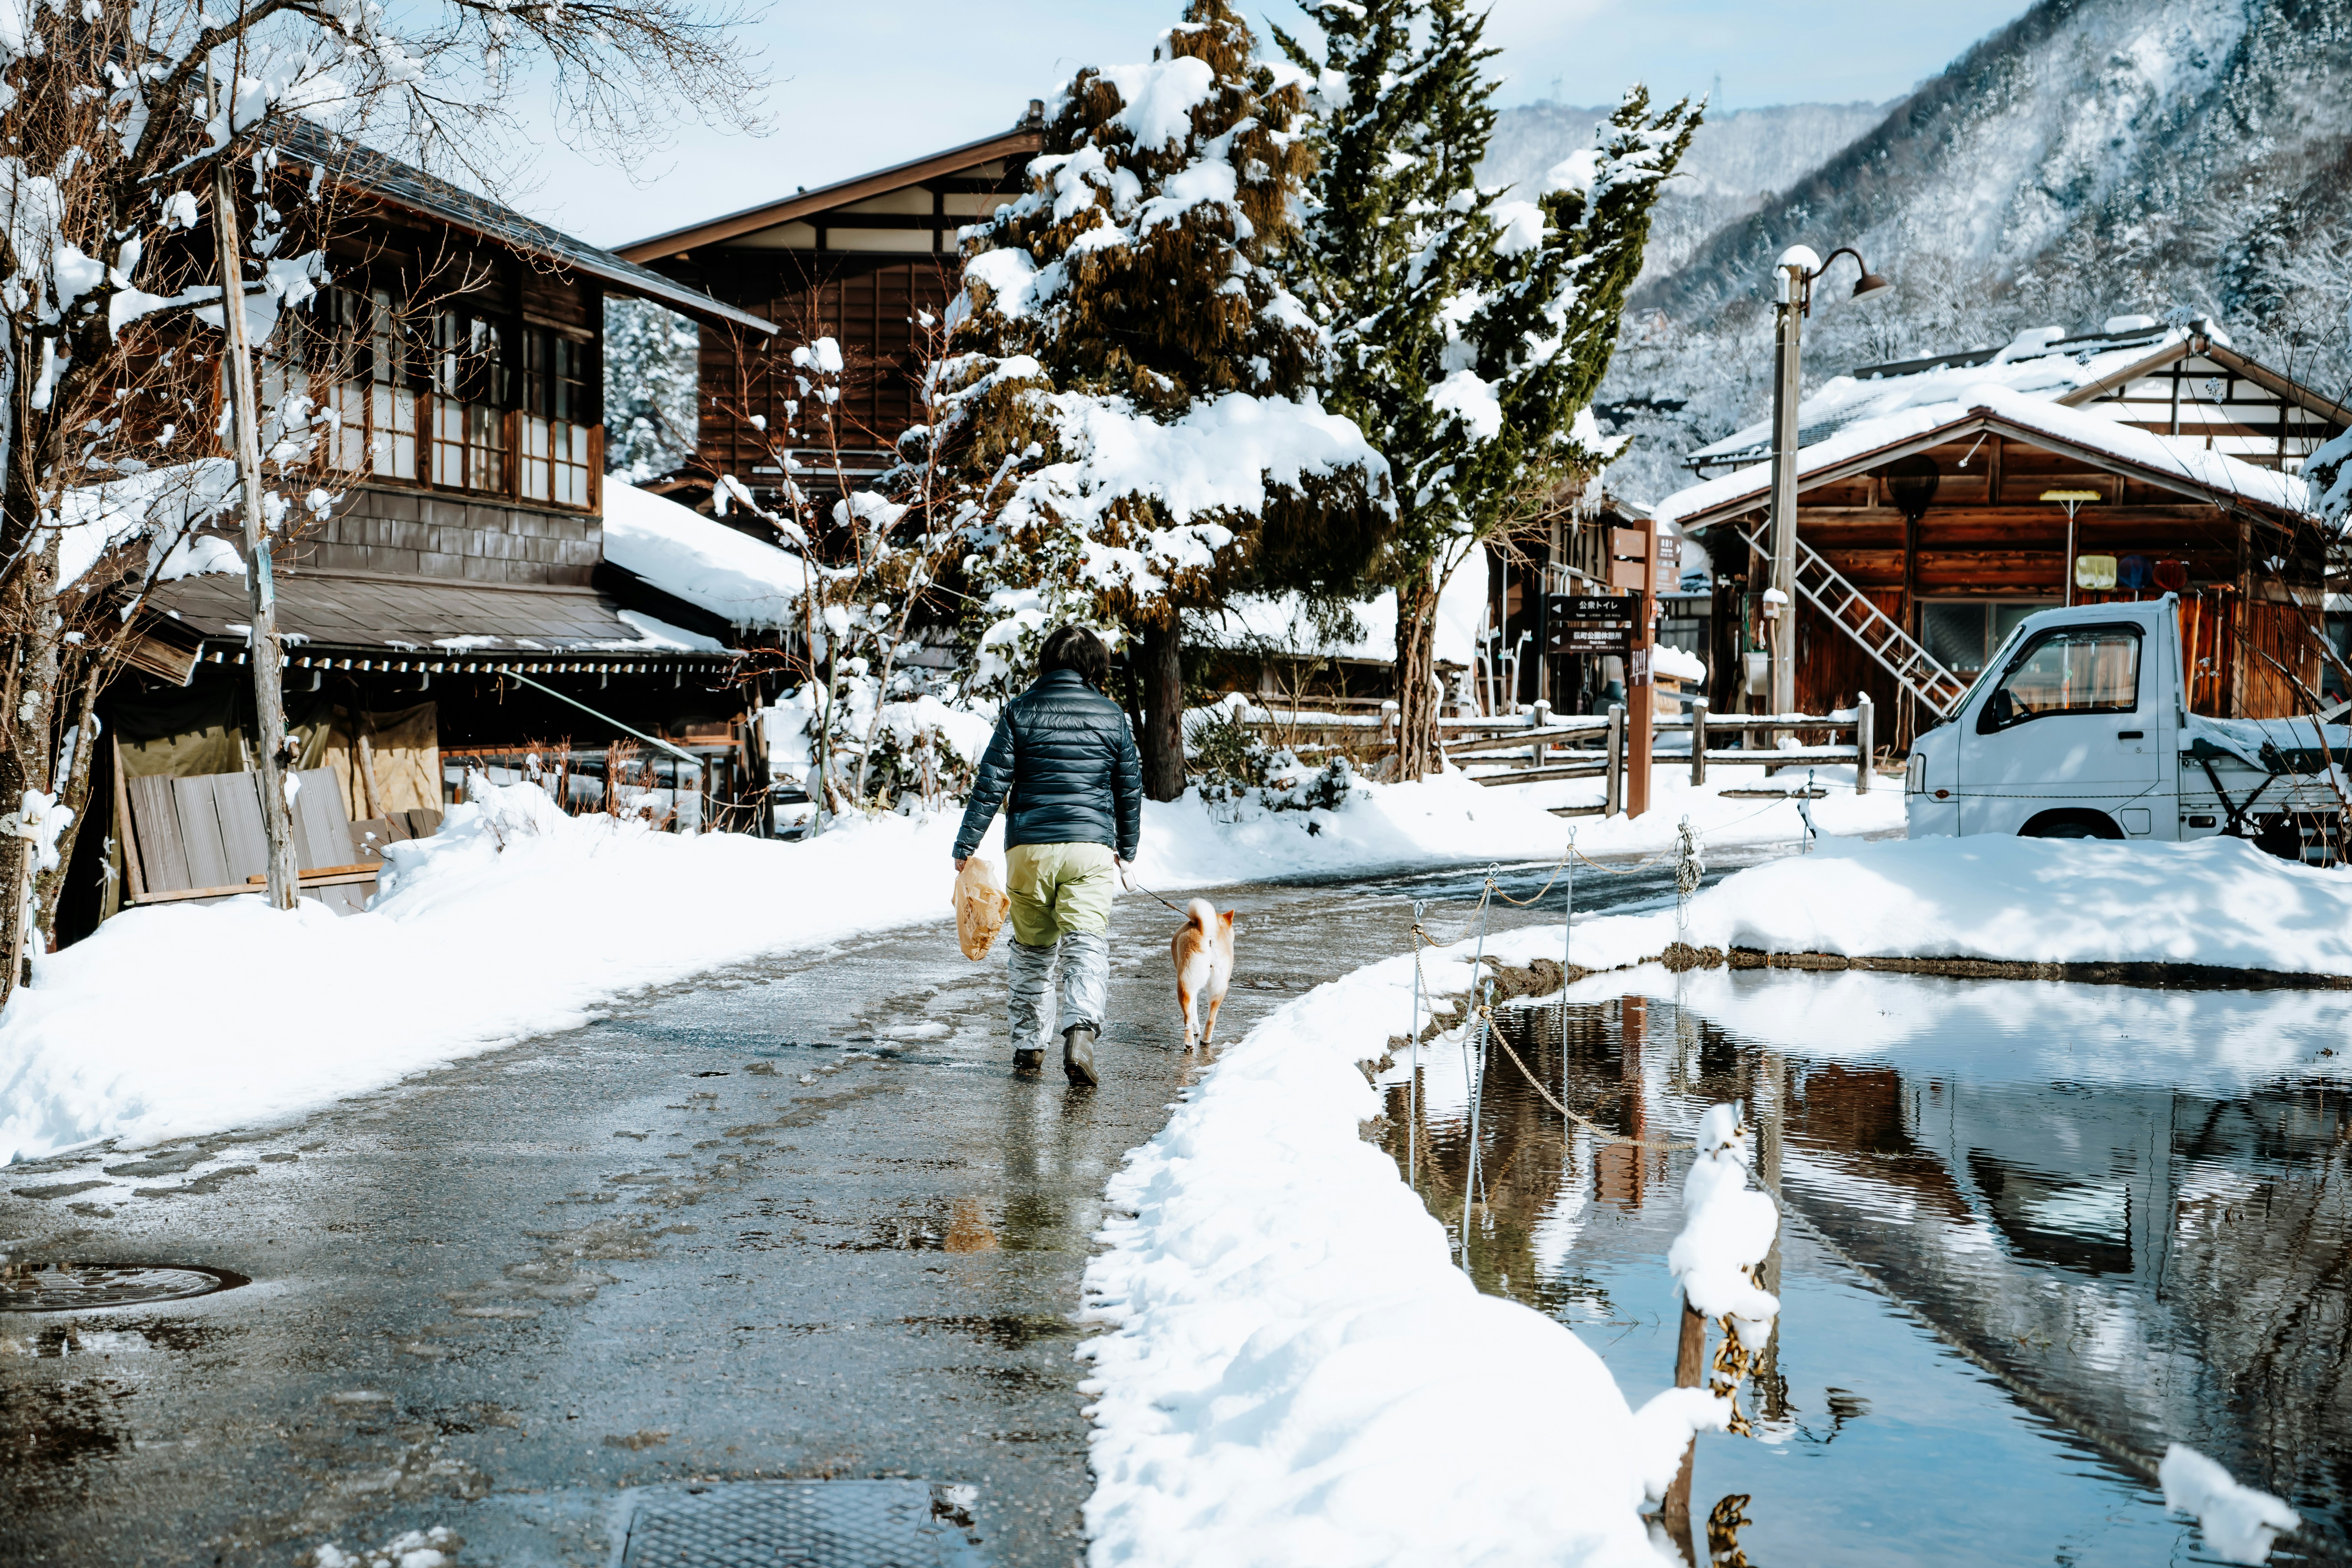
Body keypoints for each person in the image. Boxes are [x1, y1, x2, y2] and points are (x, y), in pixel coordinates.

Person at [953, 625, 1143, 1084]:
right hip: (1090, 849)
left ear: (1046, 661)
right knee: (1086, 946)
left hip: (1028, 849)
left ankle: (1029, 1048)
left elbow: (991, 782)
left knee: (1033, 953)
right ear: (1096, 666)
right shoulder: (1113, 716)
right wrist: (1128, 850)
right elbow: (1129, 789)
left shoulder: (1020, 711)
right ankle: (1080, 1035)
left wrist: (966, 845)